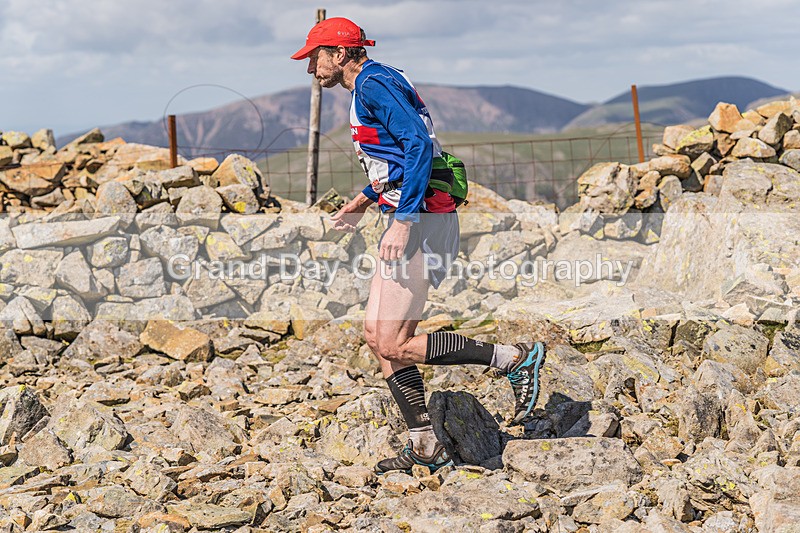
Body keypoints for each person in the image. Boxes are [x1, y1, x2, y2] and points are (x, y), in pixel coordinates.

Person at [292, 17, 546, 474]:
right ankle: (425, 444)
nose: (311, 68)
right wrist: (364, 201)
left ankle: (512, 359)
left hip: (422, 222)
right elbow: (394, 159)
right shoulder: (375, 81)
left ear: (341, 52)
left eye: (315, 57)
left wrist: (404, 220)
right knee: (376, 337)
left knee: (393, 340)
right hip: (411, 215)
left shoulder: (372, 85)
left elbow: (419, 148)